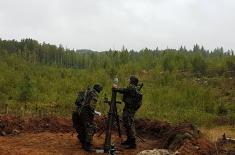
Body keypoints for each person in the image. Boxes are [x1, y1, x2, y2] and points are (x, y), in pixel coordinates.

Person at [113, 75, 143, 149]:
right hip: (130, 109)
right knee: (127, 124)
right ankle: (129, 140)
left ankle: (132, 143)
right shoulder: (135, 88)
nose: (129, 81)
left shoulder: (132, 87)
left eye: (130, 80)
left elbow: (124, 90)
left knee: (129, 125)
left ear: (132, 81)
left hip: (129, 109)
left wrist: (116, 89)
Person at [72, 84, 103, 152]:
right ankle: (87, 145)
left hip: (77, 112)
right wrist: (93, 113)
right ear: (98, 89)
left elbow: (77, 102)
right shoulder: (94, 94)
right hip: (84, 113)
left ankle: (82, 139)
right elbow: (91, 106)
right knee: (91, 127)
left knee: (82, 126)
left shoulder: (86, 92)